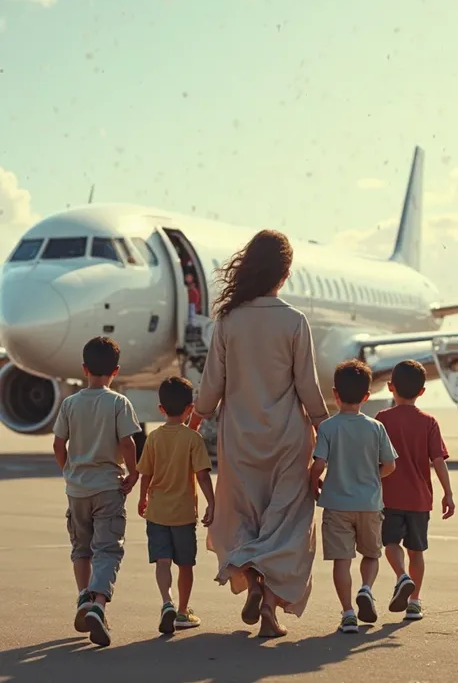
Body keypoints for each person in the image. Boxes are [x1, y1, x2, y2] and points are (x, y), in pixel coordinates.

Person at [189, 229, 329, 638]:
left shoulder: (228, 320)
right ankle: (270, 605)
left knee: (244, 517)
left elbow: (212, 383)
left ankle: (251, 578)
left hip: (240, 438)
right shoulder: (293, 321)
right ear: (284, 274)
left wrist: (195, 421)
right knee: (287, 522)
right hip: (288, 439)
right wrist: (327, 427)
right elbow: (308, 385)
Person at [52, 336, 141, 647]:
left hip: (77, 490)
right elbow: (128, 442)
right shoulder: (118, 403)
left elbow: (58, 444)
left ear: (83, 369)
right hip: (108, 486)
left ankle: (83, 598)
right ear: (115, 371)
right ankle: (98, 605)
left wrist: (68, 470)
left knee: (81, 548)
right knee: (108, 549)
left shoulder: (69, 404)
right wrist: (134, 473)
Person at [311, 360, 398, 634]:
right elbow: (390, 465)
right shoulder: (376, 427)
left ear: (335, 394)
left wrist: (314, 482)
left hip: (336, 505)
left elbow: (319, 464)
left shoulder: (327, 427)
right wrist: (373, 478)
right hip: (370, 504)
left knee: (342, 560)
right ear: (366, 396)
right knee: (371, 554)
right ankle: (366, 588)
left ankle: (348, 612)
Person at [376, 360, 455, 621]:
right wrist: (448, 493)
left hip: (389, 497)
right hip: (420, 500)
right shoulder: (429, 422)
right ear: (422, 391)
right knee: (416, 551)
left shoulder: (382, 420)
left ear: (390, 387)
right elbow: (438, 461)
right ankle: (414, 602)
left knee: (390, 543)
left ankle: (402, 576)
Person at [137, 376, 215, 634]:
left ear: (160, 409)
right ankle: (183, 610)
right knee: (185, 564)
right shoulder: (193, 439)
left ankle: (166, 602)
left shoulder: (154, 438)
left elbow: (145, 473)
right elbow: (202, 475)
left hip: (157, 512)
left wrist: (142, 497)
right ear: (190, 408)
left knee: (162, 561)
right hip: (183, 514)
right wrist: (211, 503)